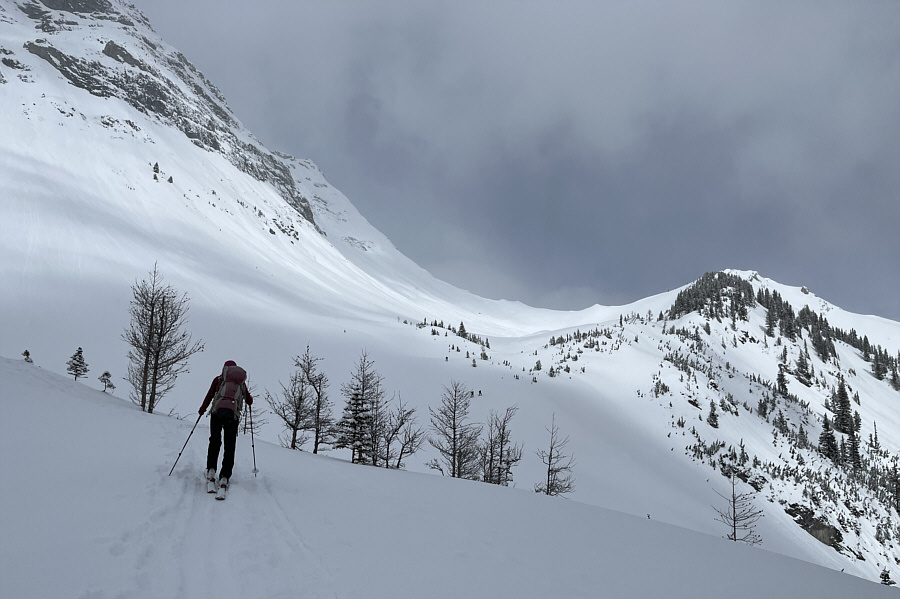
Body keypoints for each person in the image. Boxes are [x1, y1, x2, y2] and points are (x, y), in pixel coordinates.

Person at [198, 360, 253, 490]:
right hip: (232, 416)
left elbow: (210, 395)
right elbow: (249, 401)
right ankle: (225, 476)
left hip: (217, 414)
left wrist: (202, 409)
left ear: (225, 369)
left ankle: (211, 470)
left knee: (215, 441)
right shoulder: (241, 383)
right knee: (229, 446)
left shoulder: (218, 379)